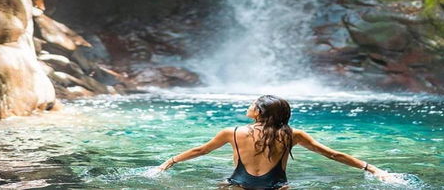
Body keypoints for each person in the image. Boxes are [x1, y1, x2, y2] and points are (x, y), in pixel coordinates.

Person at [158, 95, 389, 189]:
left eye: (252, 104)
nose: (248, 106)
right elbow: (333, 154)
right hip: (277, 188)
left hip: (238, 185)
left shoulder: (232, 132)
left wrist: (169, 162)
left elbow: (201, 150)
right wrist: (371, 168)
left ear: (259, 112)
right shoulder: (292, 134)